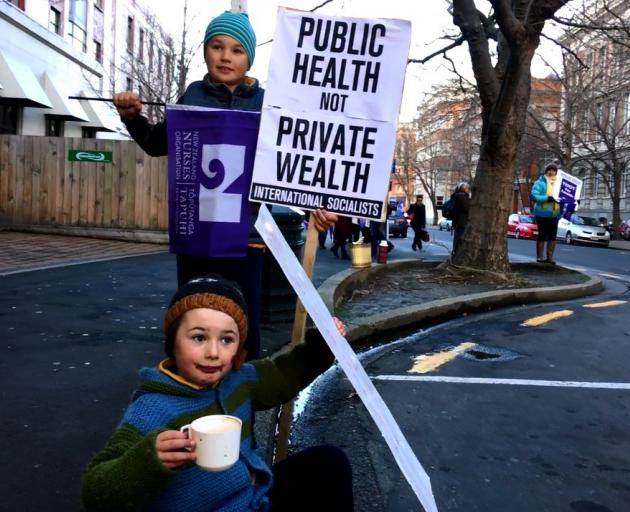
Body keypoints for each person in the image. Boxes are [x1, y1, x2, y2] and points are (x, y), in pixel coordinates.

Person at [112, 11, 336, 360]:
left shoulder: (267, 104)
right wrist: (131, 118)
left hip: (246, 237)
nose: (225, 56)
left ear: (249, 58)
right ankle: (186, 397)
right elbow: (157, 144)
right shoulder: (191, 97)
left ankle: (241, 404)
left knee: (243, 322)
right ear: (206, 52)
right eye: (217, 46)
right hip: (195, 236)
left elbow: (286, 165)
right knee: (192, 316)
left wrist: (314, 207)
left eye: (236, 49)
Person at [81, 275, 354, 512]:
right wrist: (146, 460)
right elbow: (96, 494)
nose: (213, 353)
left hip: (254, 500)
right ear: (172, 341)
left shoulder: (238, 380)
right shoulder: (153, 408)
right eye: (199, 337)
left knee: (329, 463)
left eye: (227, 339)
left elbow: (283, 374)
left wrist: (322, 345)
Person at [531, 163, 561, 264]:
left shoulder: (559, 184)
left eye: (553, 170)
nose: (551, 172)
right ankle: (540, 257)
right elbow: (534, 196)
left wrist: (574, 201)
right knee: (542, 235)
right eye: (549, 170)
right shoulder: (540, 183)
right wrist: (548, 198)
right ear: (546, 171)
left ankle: (550, 257)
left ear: (556, 172)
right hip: (542, 213)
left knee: (552, 236)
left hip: (554, 214)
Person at [451, 182, 471, 255]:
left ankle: (455, 251)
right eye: (468, 189)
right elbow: (467, 209)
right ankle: (457, 252)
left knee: (457, 236)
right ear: (464, 189)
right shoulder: (463, 197)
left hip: (457, 220)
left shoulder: (456, 196)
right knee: (460, 237)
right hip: (462, 221)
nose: (468, 190)